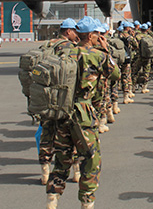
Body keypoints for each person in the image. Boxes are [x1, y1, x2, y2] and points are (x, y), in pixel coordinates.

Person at [46, 16, 120, 209]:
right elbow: (115, 74)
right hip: (84, 113)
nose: (99, 37)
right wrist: (105, 49)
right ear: (90, 35)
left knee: (62, 159)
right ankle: (87, 202)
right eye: (97, 34)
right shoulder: (97, 55)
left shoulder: (64, 52)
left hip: (62, 111)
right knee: (90, 159)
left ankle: (53, 198)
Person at [39, 18, 79, 185]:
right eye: (74, 31)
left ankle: (45, 171)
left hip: (46, 98)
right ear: (68, 31)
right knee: (72, 135)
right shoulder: (72, 49)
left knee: (46, 135)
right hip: (65, 100)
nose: (76, 34)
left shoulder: (46, 46)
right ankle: (76, 171)